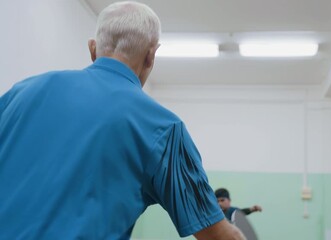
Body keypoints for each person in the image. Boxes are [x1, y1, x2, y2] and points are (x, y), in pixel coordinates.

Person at [0, 2, 245, 240]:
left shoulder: (18, 94)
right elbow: (217, 235)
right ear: (151, 55)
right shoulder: (164, 128)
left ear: (93, 49)